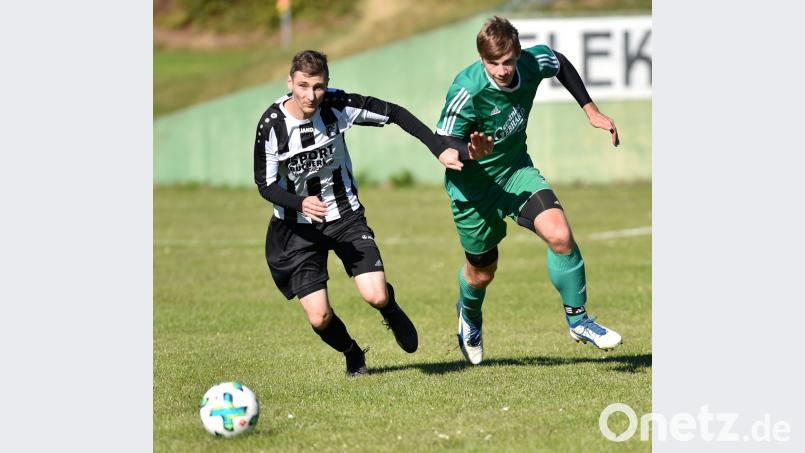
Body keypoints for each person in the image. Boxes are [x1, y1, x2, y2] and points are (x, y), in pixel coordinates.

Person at [253, 50, 461, 376]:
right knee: (319, 317)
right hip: (296, 230)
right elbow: (264, 184)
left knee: (375, 294)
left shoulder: (337, 105)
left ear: (327, 84)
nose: (311, 95)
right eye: (303, 86)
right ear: (290, 82)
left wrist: (437, 148)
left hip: (345, 216)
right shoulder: (271, 125)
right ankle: (352, 352)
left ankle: (389, 308)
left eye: (318, 86)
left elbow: (394, 113)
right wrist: (300, 203)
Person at [434, 16, 623, 365]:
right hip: (473, 191)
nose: (502, 70)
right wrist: (469, 152)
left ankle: (578, 319)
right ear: (482, 60)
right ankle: (470, 316)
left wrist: (590, 110)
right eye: (493, 64)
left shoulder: (533, 62)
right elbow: (443, 142)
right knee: (482, 272)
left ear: (518, 54)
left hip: (516, 173)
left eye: (507, 62)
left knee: (560, 235)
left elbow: (560, 62)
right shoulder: (467, 89)